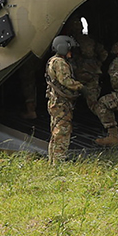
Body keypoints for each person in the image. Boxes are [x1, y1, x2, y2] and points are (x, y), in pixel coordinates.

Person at [63, 17, 118, 146]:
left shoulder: (70, 40)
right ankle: (111, 130)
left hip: (76, 75)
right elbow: (104, 54)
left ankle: (65, 129)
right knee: (94, 103)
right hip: (93, 74)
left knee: (65, 102)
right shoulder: (92, 40)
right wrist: (96, 65)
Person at [45, 35, 83, 164]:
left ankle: (53, 160)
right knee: (62, 131)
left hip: (56, 101)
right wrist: (80, 87)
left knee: (56, 131)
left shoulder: (52, 61)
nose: (70, 53)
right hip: (61, 103)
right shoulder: (60, 62)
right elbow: (65, 81)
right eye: (69, 49)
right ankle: (59, 162)